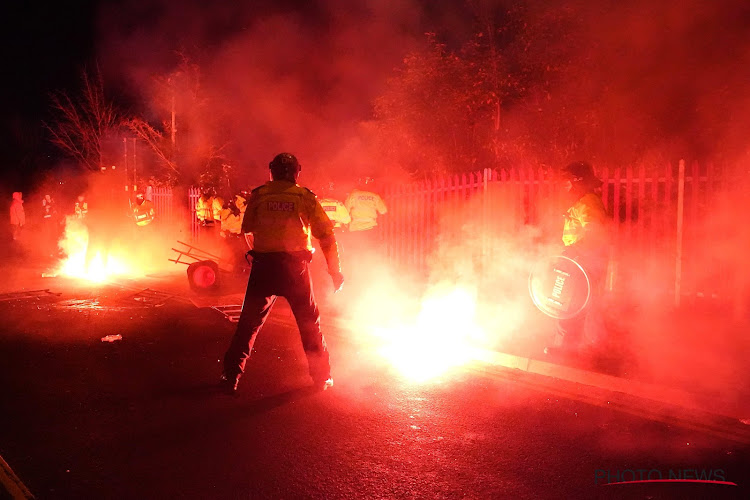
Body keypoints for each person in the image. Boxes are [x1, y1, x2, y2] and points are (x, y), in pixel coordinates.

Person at [220, 153, 344, 394]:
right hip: (295, 270)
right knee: (309, 323)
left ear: (272, 171)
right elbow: (327, 236)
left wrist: (258, 255)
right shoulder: (304, 198)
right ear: (296, 172)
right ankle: (321, 377)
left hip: (264, 268)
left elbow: (246, 231)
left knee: (248, 325)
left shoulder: (259, 196)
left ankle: (230, 376)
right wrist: (335, 271)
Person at [545, 161, 609, 360]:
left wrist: (572, 251)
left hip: (584, 262)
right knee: (570, 303)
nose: (565, 187)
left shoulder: (588, 202)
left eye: (567, 183)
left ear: (577, 182)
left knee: (572, 304)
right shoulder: (582, 203)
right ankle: (572, 347)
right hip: (578, 261)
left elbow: (595, 233)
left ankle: (570, 349)